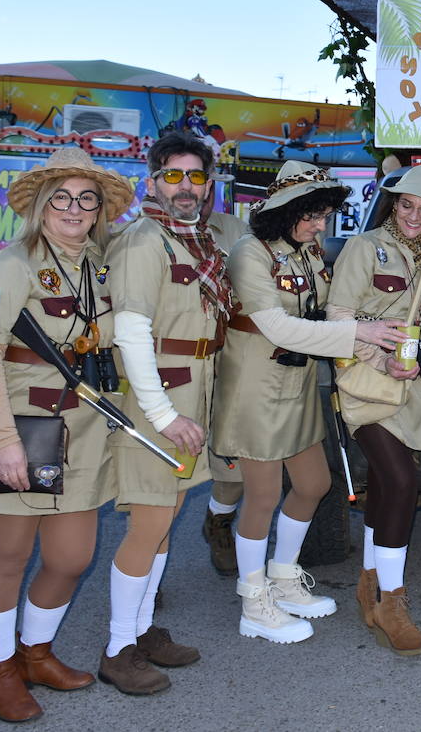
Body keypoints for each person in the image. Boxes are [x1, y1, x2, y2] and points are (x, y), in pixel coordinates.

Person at [0, 148, 134, 722]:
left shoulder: (101, 265)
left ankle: (36, 652)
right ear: (41, 205)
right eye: (61, 197)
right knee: (7, 556)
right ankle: (0, 671)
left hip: (83, 429)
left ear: (97, 212)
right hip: (24, 423)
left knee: (70, 557)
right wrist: (2, 439)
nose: (73, 208)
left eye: (86, 199)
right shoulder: (10, 263)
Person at [212, 160, 407, 644]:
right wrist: (358, 332)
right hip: (254, 386)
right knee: (260, 497)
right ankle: (253, 602)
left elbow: (322, 308)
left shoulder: (306, 252)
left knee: (315, 483)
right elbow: (276, 326)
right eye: (314, 215)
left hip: (297, 384)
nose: (322, 225)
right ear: (286, 209)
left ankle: (282, 577)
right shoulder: (249, 255)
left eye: (325, 215)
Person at [101, 131, 235, 694]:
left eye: (196, 177)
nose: (186, 187)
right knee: (149, 526)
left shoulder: (195, 242)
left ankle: (142, 629)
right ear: (152, 181)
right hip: (158, 403)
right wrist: (161, 417)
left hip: (189, 397)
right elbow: (131, 334)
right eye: (173, 176)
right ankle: (117, 649)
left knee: (165, 523)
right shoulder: (143, 242)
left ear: (208, 186)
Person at [327, 164, 421, 655]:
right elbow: (337, 317)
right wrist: (378, 355)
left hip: (414, 389)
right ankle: (391, 601)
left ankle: (368, 580)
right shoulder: (364, 248)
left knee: (385, 485)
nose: (415, 216)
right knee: (402, 480)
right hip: (366, 385)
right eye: (407, 205)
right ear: (393, 204)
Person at [200, 172, 247, 577]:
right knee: (160, 478)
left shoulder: (234, 230)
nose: (196, 190)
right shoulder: (142, 236)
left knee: (233, 465)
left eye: (203, 180)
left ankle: (218, 521)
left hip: (228, 363)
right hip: (172, 367)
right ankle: (143, 569)